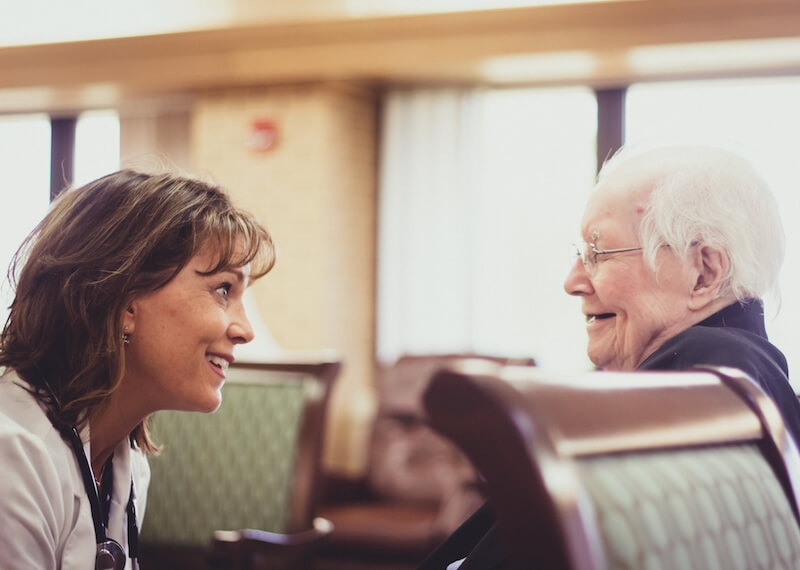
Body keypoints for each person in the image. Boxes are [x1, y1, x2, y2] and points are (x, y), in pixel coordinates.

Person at [419, 144, 800, 570]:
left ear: (704, 273)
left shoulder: (691, 385)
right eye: (579, 254)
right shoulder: (747, 379)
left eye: (598, 252)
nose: (572, 281)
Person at [0, 169, 275, 569]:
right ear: (125, 302)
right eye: (223, 290)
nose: (245, 330)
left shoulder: (124, 470)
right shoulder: (12, 455)